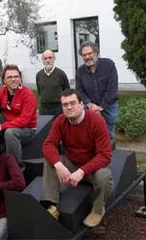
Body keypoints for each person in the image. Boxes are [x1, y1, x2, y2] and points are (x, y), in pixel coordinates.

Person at [42, 89, 113, 228]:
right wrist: (59, 165)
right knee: (50, 160)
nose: (69, 107)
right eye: (65, 104)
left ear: (81, 104)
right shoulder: (61, 121)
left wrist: (81, 171)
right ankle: (52, 205)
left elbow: (105, 155)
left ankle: (98, 210)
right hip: (72, 164)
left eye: (73, 103)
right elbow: (48, 144)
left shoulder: (96, 120)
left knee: (104, 176)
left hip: (92, 169)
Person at [0, 64, 37, 166]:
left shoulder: (28, 94)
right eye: (9, 77)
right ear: (4, 80)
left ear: (20, 78)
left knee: (10, 133)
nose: (13, 79)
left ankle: (15, 167)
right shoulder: (3, 91)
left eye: (16, 76)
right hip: (8, 124)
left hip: (27, 129)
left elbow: (24, 120)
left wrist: (0, 126)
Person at [76, 41, 118, 140]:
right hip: (90, 109)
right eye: (84, 55)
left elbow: (112, 89)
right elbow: (80, 91)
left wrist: (100, 107)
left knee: (109, 136)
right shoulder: (80, 71)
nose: (87, 57)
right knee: (91, 136)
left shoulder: (108, 65)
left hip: (108, 108)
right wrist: (89, 104)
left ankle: (109, 154)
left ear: (95, 53)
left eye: (89, 53)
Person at [36, 49, 70, 115]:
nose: (48, 60)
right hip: (44, 109)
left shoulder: (61, 74)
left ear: (54, 59)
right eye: (45, 58)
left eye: (50, 58)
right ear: (42, 60)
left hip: (58, 109)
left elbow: (67, 92)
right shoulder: (39, 75)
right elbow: (40, 92)